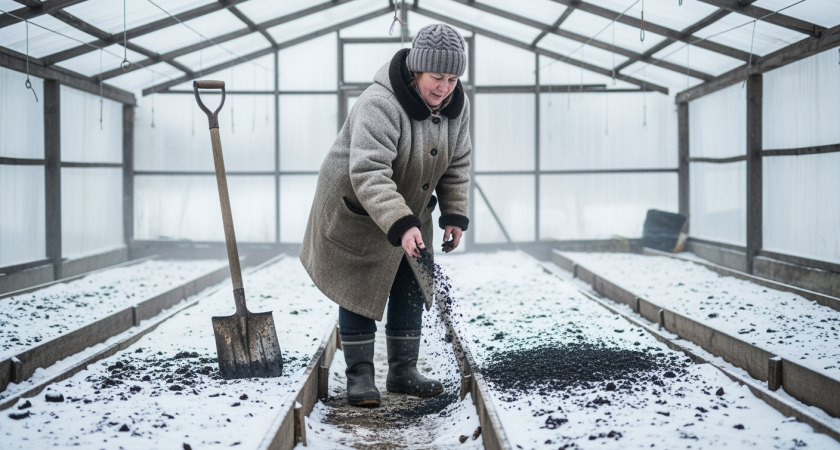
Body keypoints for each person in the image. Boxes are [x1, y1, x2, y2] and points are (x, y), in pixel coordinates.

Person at [300, 23, 471, 407]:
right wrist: (402, 221)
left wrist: (454, 215)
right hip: (358, 209)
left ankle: (402, 371)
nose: (445, 87)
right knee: (359, 286)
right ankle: (360, 375)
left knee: (410, 279)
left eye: (452, 77)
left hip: (408, 208)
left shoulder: (457, 108)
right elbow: (369, 171)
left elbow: (458, 163)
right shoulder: (381, 103)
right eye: (436, 77)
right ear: (416, 72)